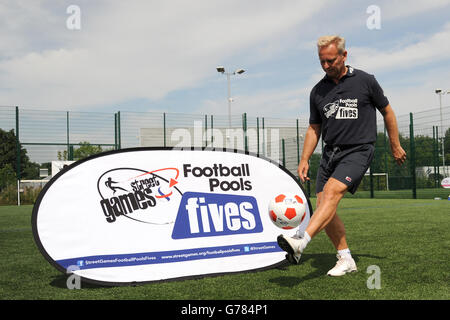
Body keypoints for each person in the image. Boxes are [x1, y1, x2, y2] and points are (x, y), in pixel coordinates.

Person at [277, 35, 406, 276]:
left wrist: (395, 144)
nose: (326, 66)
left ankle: (300, 241)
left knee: (331, 193)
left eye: (330, 60)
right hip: (329, 155)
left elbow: (387, 111)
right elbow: (314, 128)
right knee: (326, 205)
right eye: (321, 61)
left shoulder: (365, 81)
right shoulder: (317, 91)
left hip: (358, 150)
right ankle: (346, 259)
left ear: (344, 56)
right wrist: (304, 159)